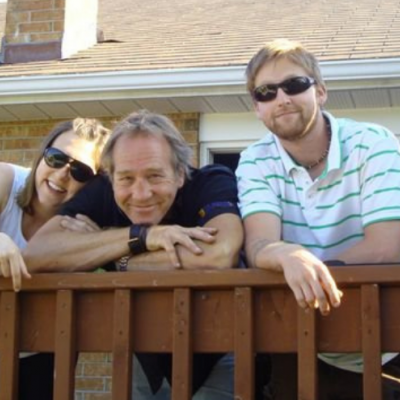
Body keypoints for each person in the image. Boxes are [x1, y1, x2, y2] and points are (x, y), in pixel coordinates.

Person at [24, 110, 244, 399]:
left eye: (154, 175)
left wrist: (113, 258)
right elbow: (36, 254)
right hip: (144, 354)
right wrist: (140, 237)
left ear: (180, 174)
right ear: (111, 178)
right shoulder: (104, 190)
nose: (140, 194)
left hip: (221, 347)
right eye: (126, 179)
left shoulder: (210, 181)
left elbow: (217, 256)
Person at [236, 38, 400, 399]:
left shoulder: (373, 143)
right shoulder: (254, 160)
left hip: (388, 339)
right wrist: (287, 255)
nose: (282, 98)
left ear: (321, 92)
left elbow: (387, 246)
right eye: (266, 92)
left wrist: (306, 269)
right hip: (305, 341)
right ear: (257, 108)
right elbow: (259, 243)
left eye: (294, 85)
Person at [0, 118, 110, 400]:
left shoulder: (88, 223)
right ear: (42, 155)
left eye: (81, 171)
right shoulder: (6, 182)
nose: (62, 174)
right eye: (56, 158)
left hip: (42, 354)